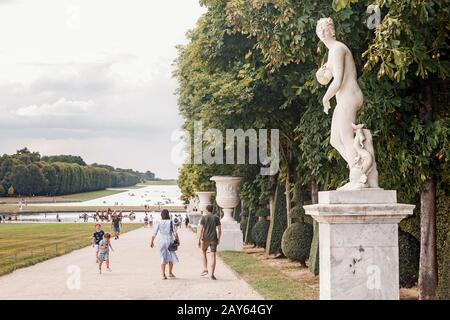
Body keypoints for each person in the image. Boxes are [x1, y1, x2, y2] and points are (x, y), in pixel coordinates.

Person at [150, 209, 180, 280]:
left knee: (162, 257)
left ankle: (163, 274)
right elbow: (175, 232)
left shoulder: (159, 222)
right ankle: (170, 272)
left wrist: (152, 241)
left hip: (161, 240)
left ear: (161, 215)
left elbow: (155, 232)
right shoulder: (171, 222)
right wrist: (178, 240)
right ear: (168, 214)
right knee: (171, 257)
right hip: (169, 240)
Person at [198, 205, 222, 280]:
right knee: (213, 256)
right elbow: (219, 229)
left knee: (203, 252)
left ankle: (205, 269)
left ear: (206, 209)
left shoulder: (204, 217)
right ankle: (212, 274)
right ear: (212, 209)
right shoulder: (216, 217)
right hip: (213, 238)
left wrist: (199, 239)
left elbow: (201, 229)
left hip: (205, 238)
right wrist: (218, 238)